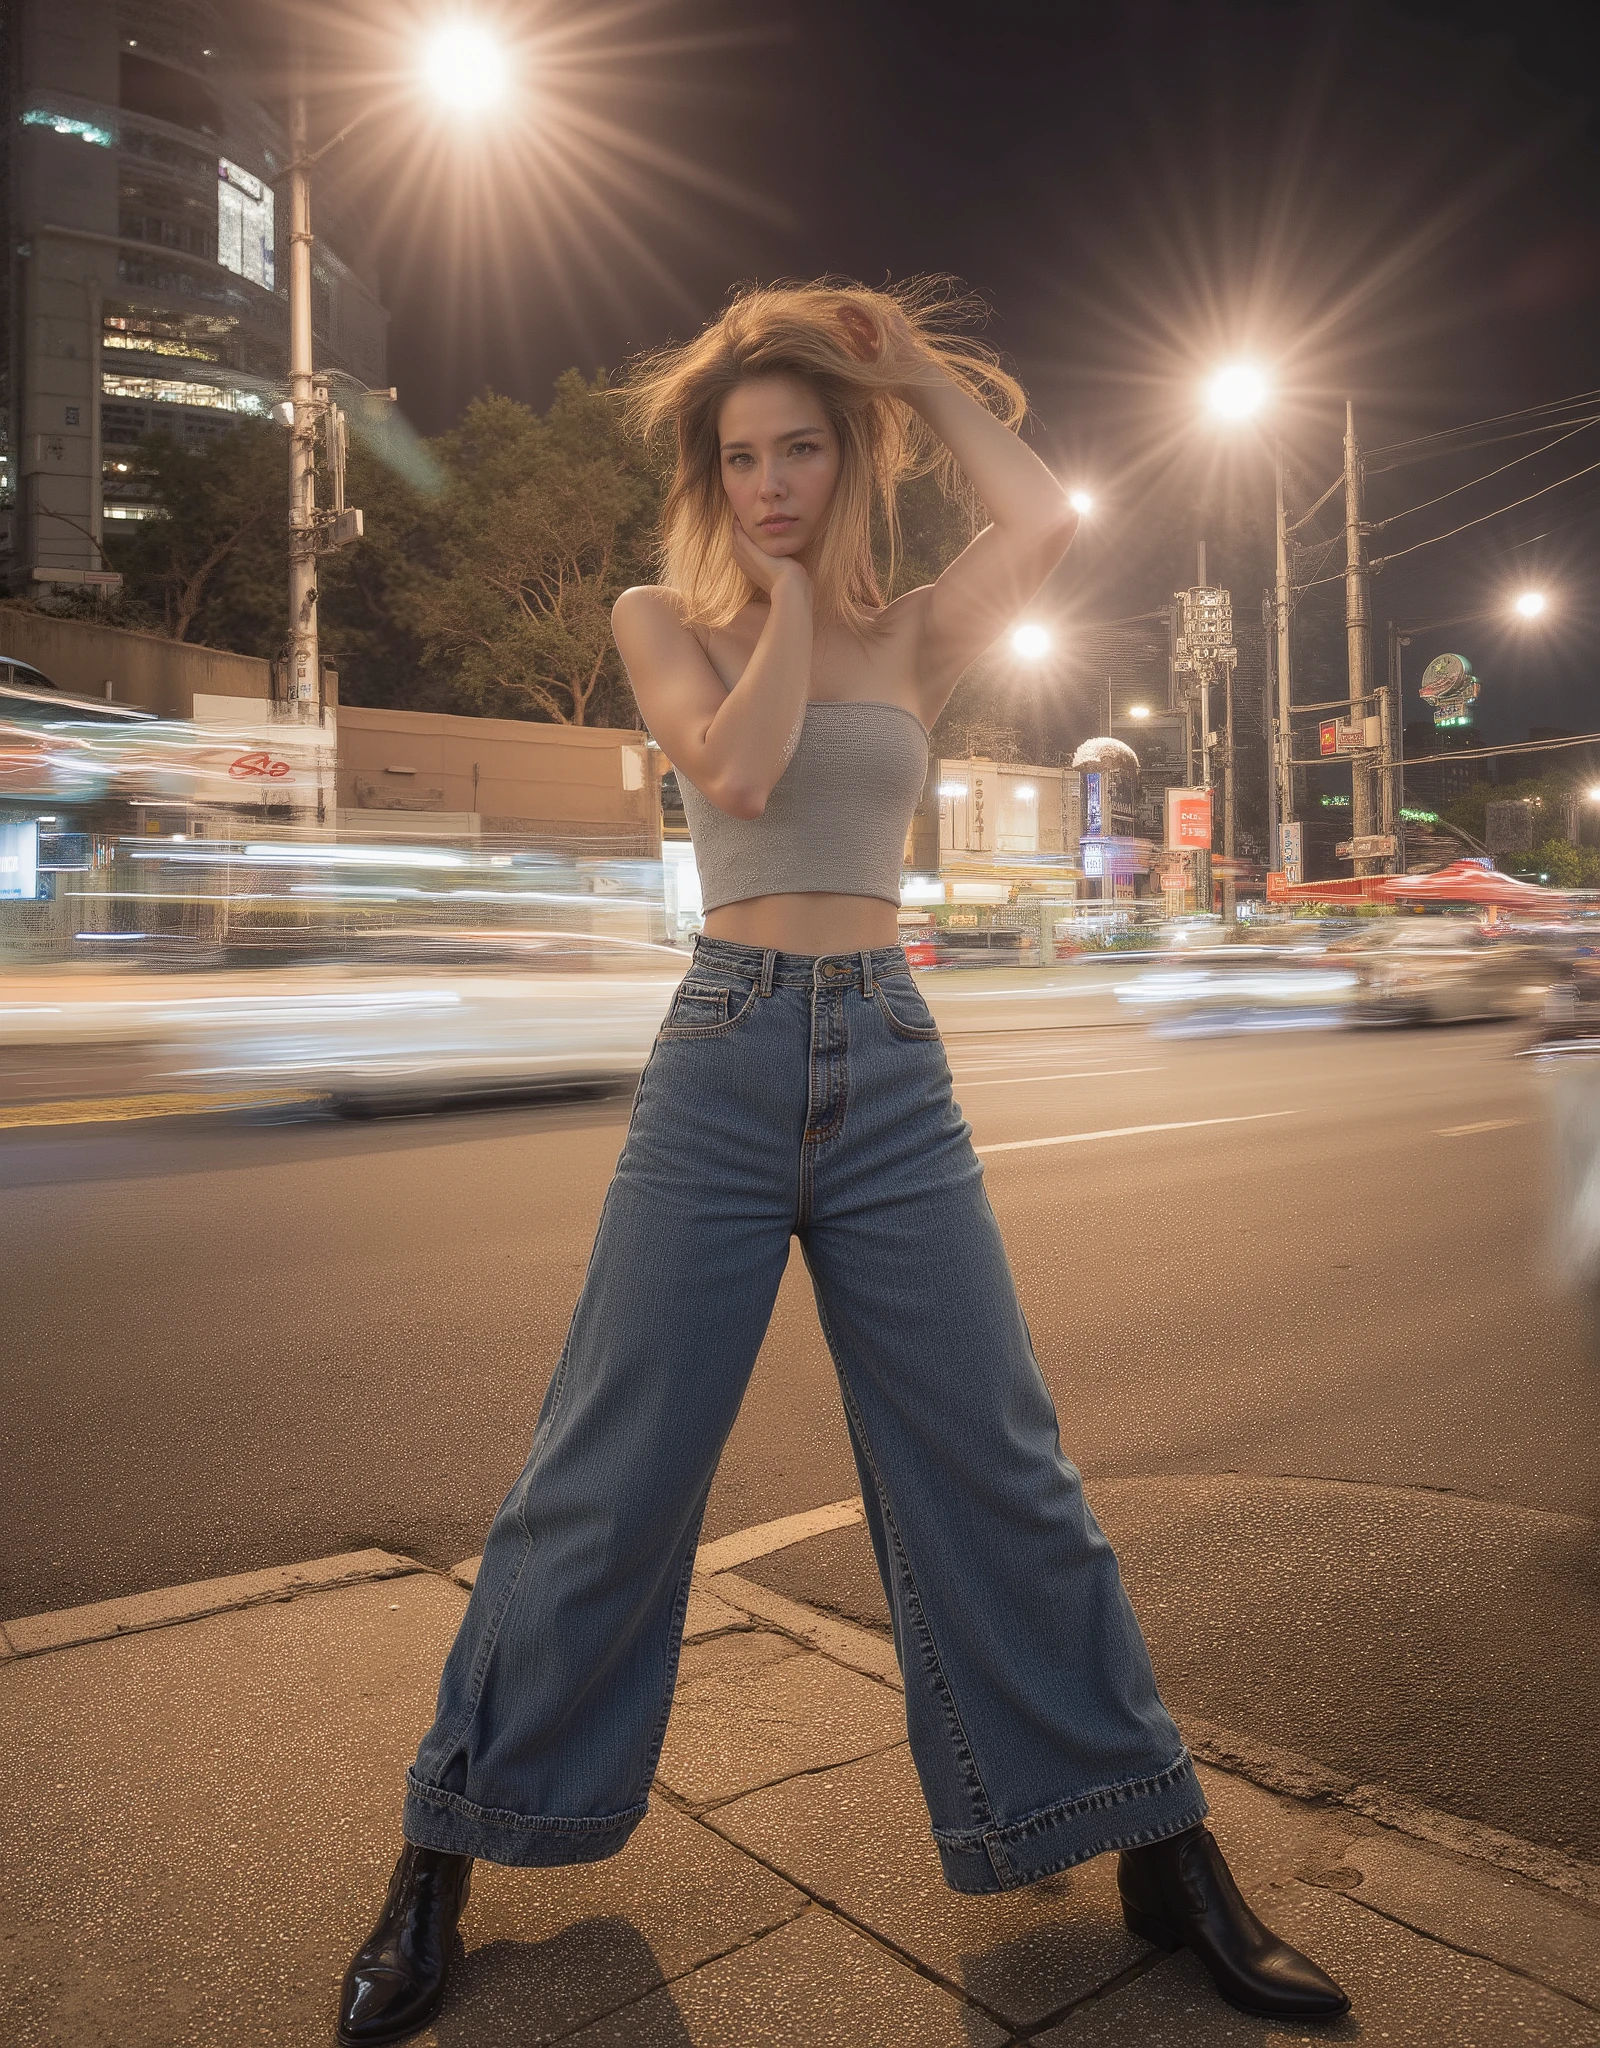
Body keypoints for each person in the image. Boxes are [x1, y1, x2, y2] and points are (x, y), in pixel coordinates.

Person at [336, 281, 1350, 2045]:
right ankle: (444, 1854)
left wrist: (923, 375)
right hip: (721, 1060)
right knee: (605, 1476)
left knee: (1005, 1468)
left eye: (801, 449)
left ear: (847, 457)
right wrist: (791, 600)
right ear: (711, 479)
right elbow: (740, 765)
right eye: (742, 458)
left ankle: (1150, 1843)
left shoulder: (924, 639)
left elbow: (1047, 514)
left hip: (888, 1063)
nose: (770, 482)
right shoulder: (670, 620)